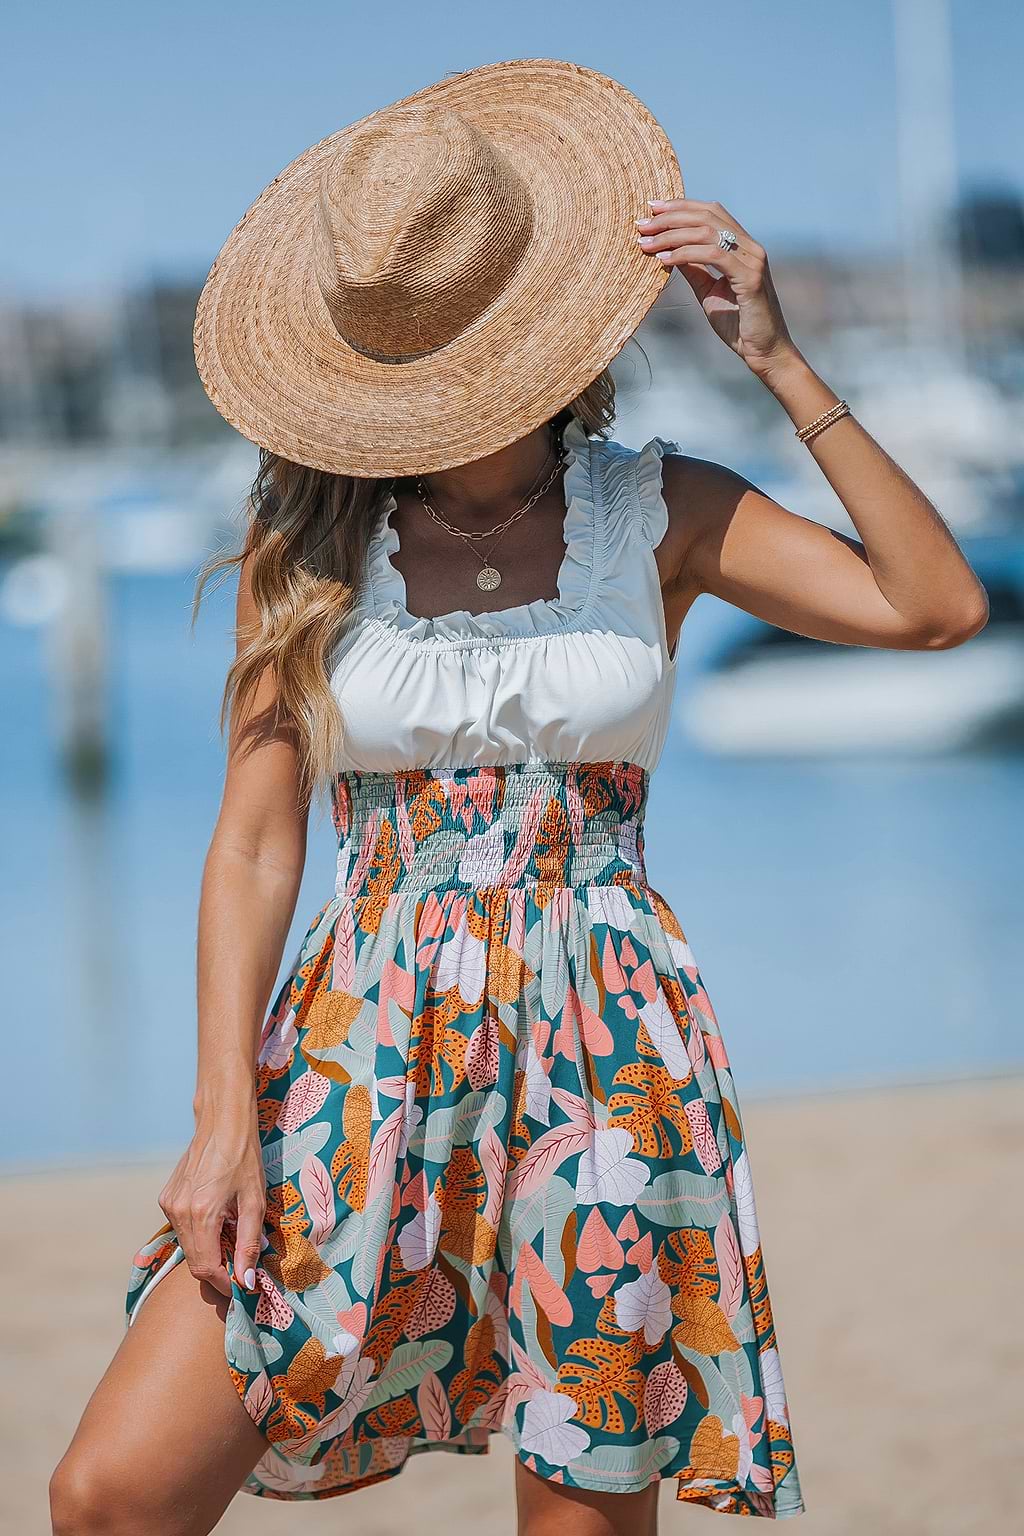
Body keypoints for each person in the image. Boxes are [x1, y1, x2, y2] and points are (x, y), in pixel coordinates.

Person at [49, 58, 987, 1536]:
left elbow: (932, 607)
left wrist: (782, 362)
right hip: (357, 1043)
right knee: (111, 1495)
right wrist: (223, 1119)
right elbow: (254, 843)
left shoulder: (660, 512)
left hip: (603, 1045)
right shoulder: (303, 538)